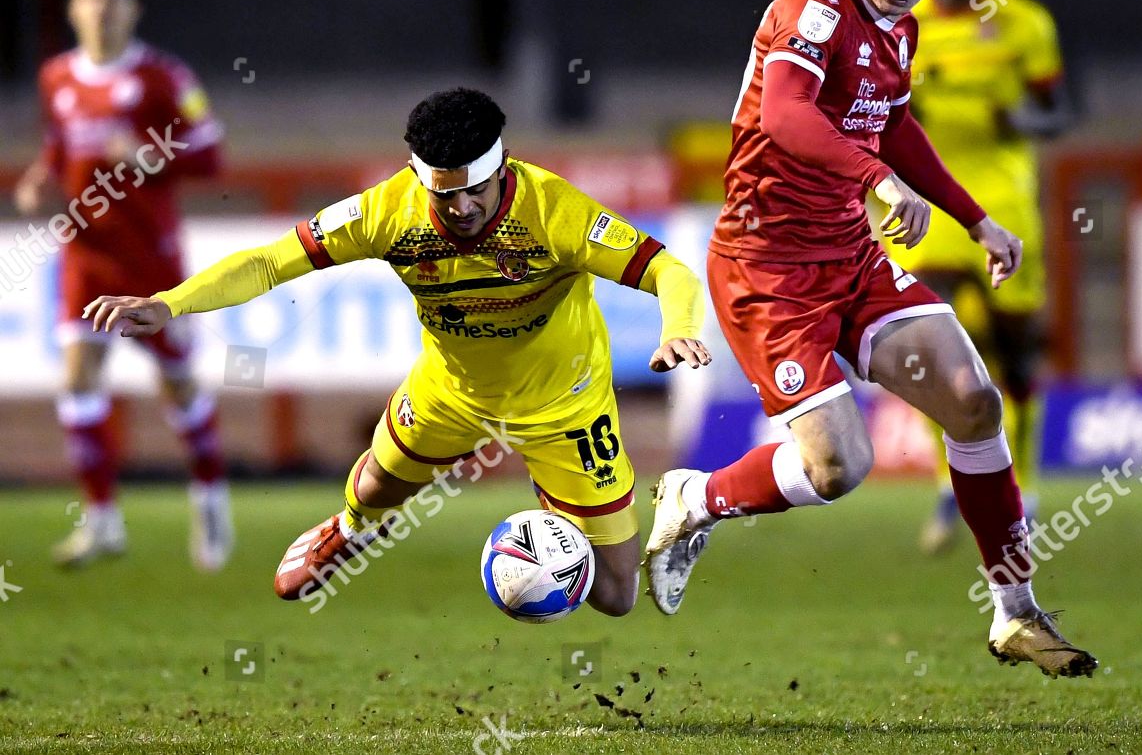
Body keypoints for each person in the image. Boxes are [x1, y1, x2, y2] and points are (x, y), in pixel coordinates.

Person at [644, 0, 1097, 677]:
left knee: (973, 399)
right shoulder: (813, 8)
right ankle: (694, 498)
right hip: (767, 269)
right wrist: (875, 180)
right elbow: (786, 114)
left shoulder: (902, 27)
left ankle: (1015, 614)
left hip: (850, 257)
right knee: (839, 467)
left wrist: (975, 216)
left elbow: (893, 128)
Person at [84, 87, 711, 616]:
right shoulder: (388, 211)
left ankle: (675, 504)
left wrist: (678, 326)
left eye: (476, 191)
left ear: (503, 168)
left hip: (563, 407)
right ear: (419, 178)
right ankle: (346, 533)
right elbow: (270, 262)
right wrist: (171, 302)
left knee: (616, 595)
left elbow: (670, 271)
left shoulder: (556, 213)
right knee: (376, 488)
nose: (461, 207)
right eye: (445, 194)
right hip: (450, 391)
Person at [13, 0, 230, 570]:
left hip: (150, 261)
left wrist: (151, 155)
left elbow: (212, 155)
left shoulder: (163, 77)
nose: (100, 7)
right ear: (72, 9)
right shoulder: (57, 77)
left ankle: (210, 493)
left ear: (133, 9)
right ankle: (103, 520)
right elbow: (60, 145)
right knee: (78, 379)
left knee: (179, 386)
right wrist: (40, 178)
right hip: (85, 256)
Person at [885, 0, 1070, 554]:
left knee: (1015, 358)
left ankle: (1029, 490)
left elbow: (1062, 110)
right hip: (929, 211)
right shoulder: (905, 25)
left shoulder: (1026, 23)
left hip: (1006, 204)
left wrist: (1019, 117)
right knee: (926, 351)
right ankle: (946, 485)